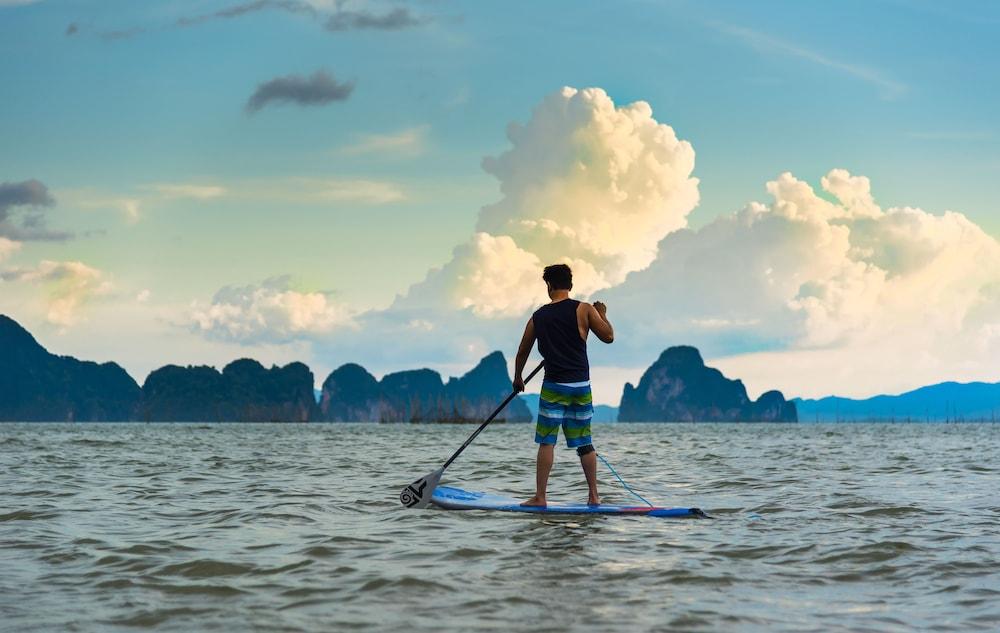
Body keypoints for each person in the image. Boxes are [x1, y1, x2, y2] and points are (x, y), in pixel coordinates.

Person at [512, 263, 614, 506]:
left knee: (547, 441)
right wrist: (602, 314)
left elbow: (522, 351)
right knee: (585, 442)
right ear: (570, 285)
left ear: (549, 286)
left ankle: (540, 497)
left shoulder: (538, 317)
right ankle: (594, 496)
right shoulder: (584, 310)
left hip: (554, 386)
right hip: (580, 386)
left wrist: (518, 378)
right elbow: (608, 336)